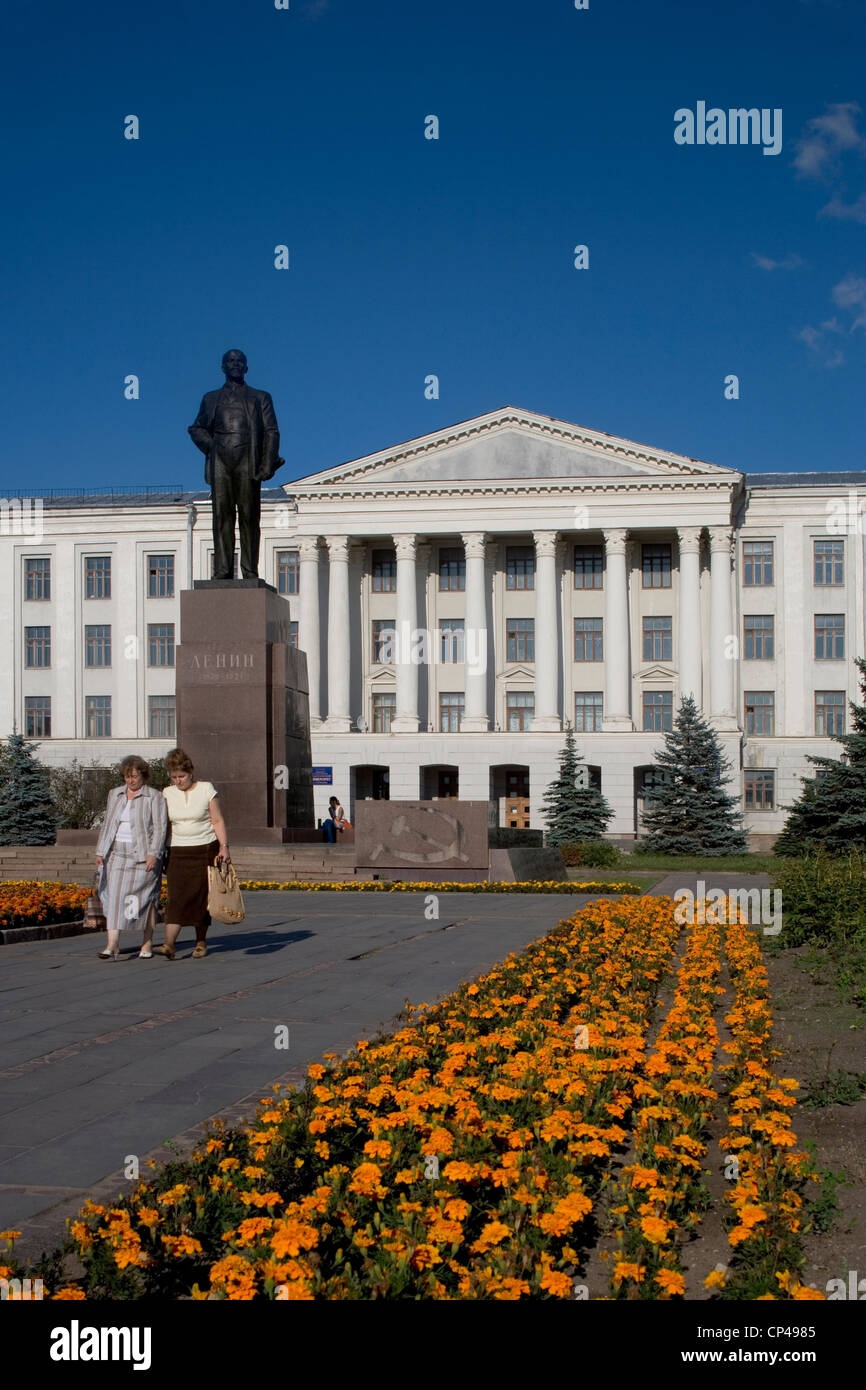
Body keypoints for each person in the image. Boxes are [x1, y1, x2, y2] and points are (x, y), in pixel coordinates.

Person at [188, 348, 285, 580]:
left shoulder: (260, 397)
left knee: (249, 516)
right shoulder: (210, 399)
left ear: (246, 368)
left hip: (248, 461)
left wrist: (267, 463)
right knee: (222, 515)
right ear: (222, 367)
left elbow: (271, 431)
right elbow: (196, 428)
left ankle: (250, 570)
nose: (235, 364)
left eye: (240, 361)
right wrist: (212, 446)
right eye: (230, 361)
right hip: (220, 461)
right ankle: (222, 570)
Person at [153, 748, 231, 961]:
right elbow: (164, 825)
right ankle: (169, 944)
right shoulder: (167, 793)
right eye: (174, 777)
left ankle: (200, 941)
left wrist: (224, 846)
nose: (178, 781)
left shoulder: (206, 789)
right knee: (176, 898)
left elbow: (217, 820)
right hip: (178, 850)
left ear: (191, 772)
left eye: (182, 776)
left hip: (204, 848)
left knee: (200, 898)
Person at [94, 756, 167, 960]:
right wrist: (101, 851)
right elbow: (108, 823)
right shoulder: (114, 794)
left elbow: (160, 828)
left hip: (144, 855)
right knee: (115, 898)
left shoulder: (154, 797)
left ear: (143, 775)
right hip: (117, 852)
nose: (131, 781)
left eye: (134, 776)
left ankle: (146, 943)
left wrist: (154, 853)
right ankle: (112, 944)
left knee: (145, 900)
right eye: (127, 777)